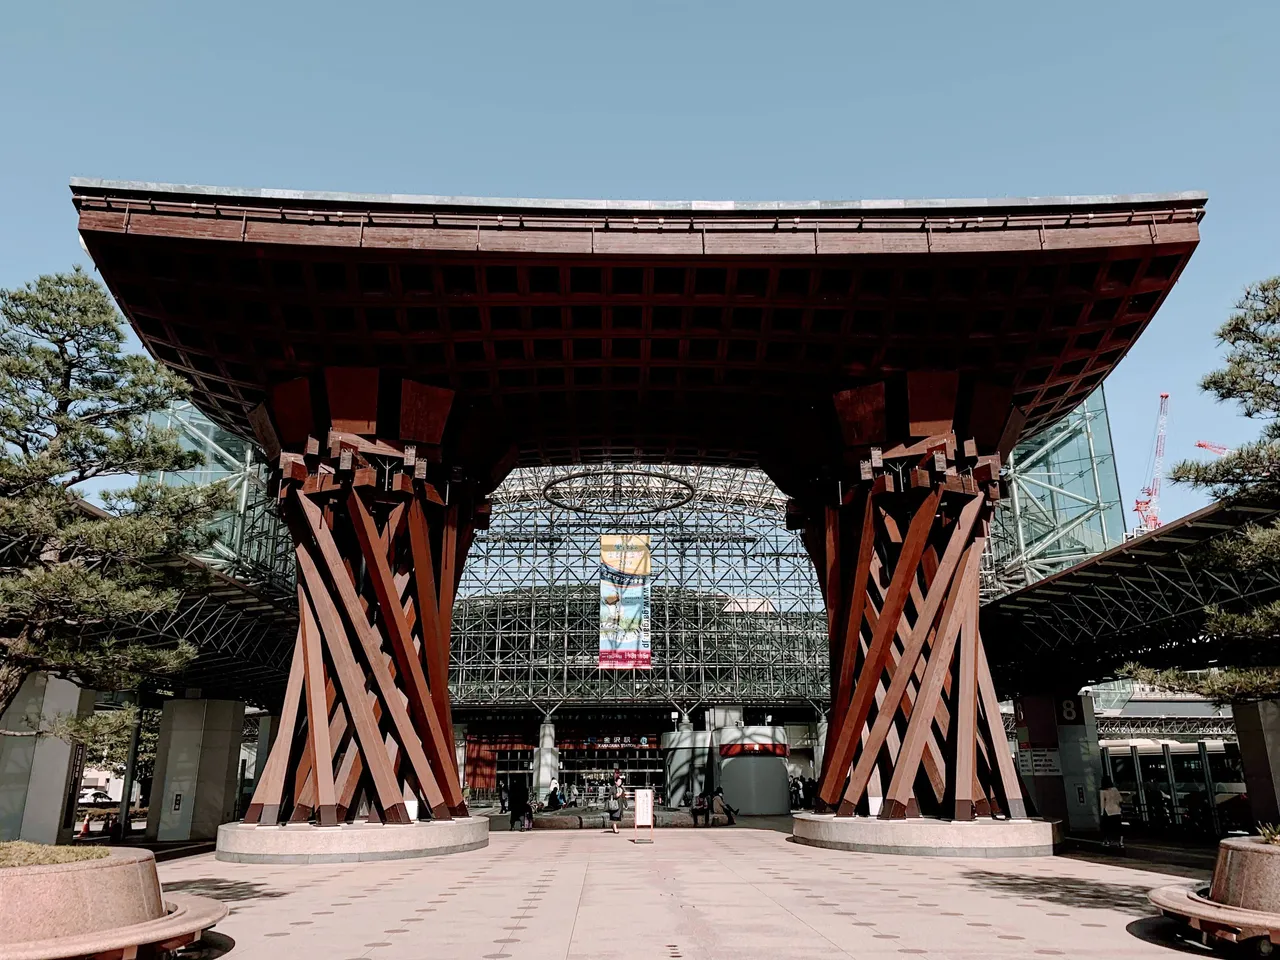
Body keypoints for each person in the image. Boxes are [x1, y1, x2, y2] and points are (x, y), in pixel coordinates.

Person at [1099, 776, 1124, 849]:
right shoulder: (1115, 789)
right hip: (1117, 810)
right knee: (1119, 827)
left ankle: (1107, 841)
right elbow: (1120, 799)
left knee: (1106, 827)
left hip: (1108, 811)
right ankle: (1121, 842)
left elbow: (1102, 803)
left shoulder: (1102, 791)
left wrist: (1101, 813)